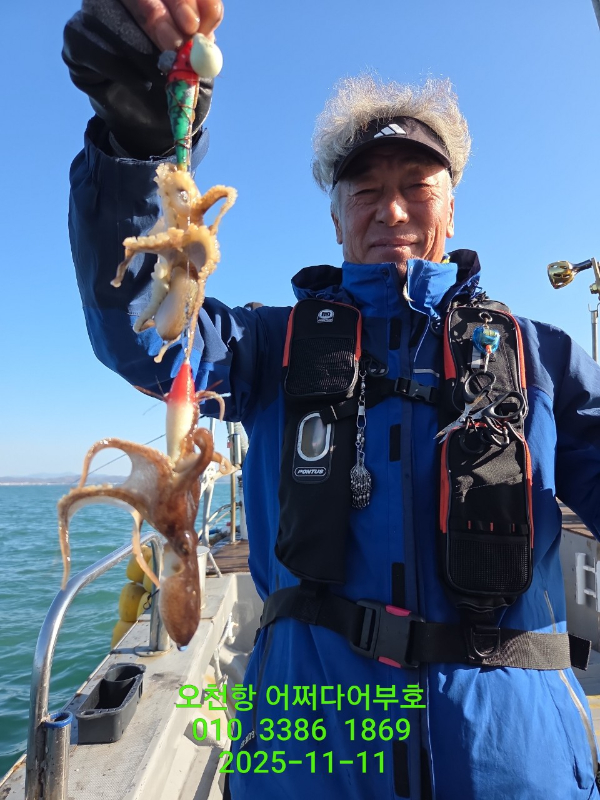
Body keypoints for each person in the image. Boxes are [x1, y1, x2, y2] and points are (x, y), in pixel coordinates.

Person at [64, 2, 600, 798]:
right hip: (309, 759)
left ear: (452, 205)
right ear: (336, 217)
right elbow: (146, 327)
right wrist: (136, 149)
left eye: (416, 186)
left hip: (516, 764)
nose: (391, 209)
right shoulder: (265, 346)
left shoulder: (542, 355)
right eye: (365, 190)